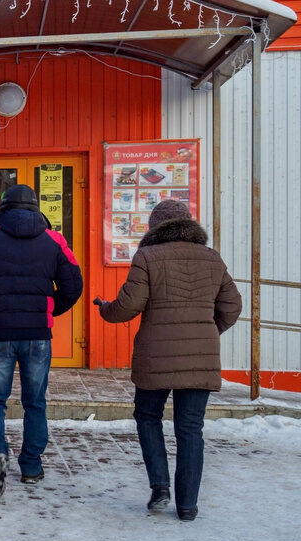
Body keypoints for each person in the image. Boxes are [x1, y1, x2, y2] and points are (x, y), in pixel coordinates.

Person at [95, 198, 241, 522]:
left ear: (153, 228)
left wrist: (105, 308)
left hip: (155, 356)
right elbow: (232, 307)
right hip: (200, 358)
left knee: (148, 416)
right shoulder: (212, 259)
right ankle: (187, 507)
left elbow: (128, 305)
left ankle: (160, 486)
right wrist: (205, 333)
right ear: (188, 224)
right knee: (191, 428)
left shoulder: (147, 256)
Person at [0, 184, 83, 499]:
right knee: (35, 402)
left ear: (3, 208)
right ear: (36, 208)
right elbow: (74, 285)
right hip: (38, 334)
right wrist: (50, 307)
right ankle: (32, 466)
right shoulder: (55, 240)